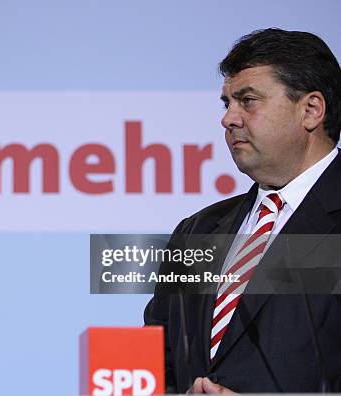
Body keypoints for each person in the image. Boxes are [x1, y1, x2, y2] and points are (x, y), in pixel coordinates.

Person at [144, 28, 341, 393]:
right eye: (226, 103)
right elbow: (158, 362)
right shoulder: (197, 230)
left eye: (247, 101)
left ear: (311, 110)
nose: (228, 119)